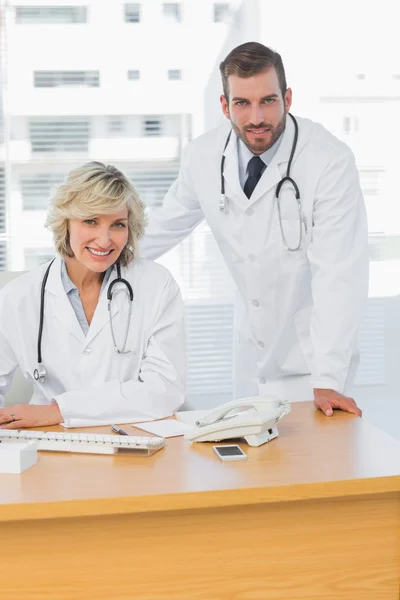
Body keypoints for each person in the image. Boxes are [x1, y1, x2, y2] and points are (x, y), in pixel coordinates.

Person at [140, 42, 369, 417]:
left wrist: (328, 377)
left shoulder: (329, 160)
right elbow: (162, 226)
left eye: (268, 100)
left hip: (315, 362)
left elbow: (339, 273)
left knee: (317, 468)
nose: (257, 117)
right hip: (252, 354)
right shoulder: (203, 156)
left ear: (288, 98)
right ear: (225, 105)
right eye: (243, 103)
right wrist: (92, 256)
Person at [0, 162, 185, 429]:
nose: (104, 239)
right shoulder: (19, 296)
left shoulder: (156, 285)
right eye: (91, 221)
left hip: (133, 440)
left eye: (118, 225)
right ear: (66, 223)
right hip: (48, 443)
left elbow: (165, 390)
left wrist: (59, 411)